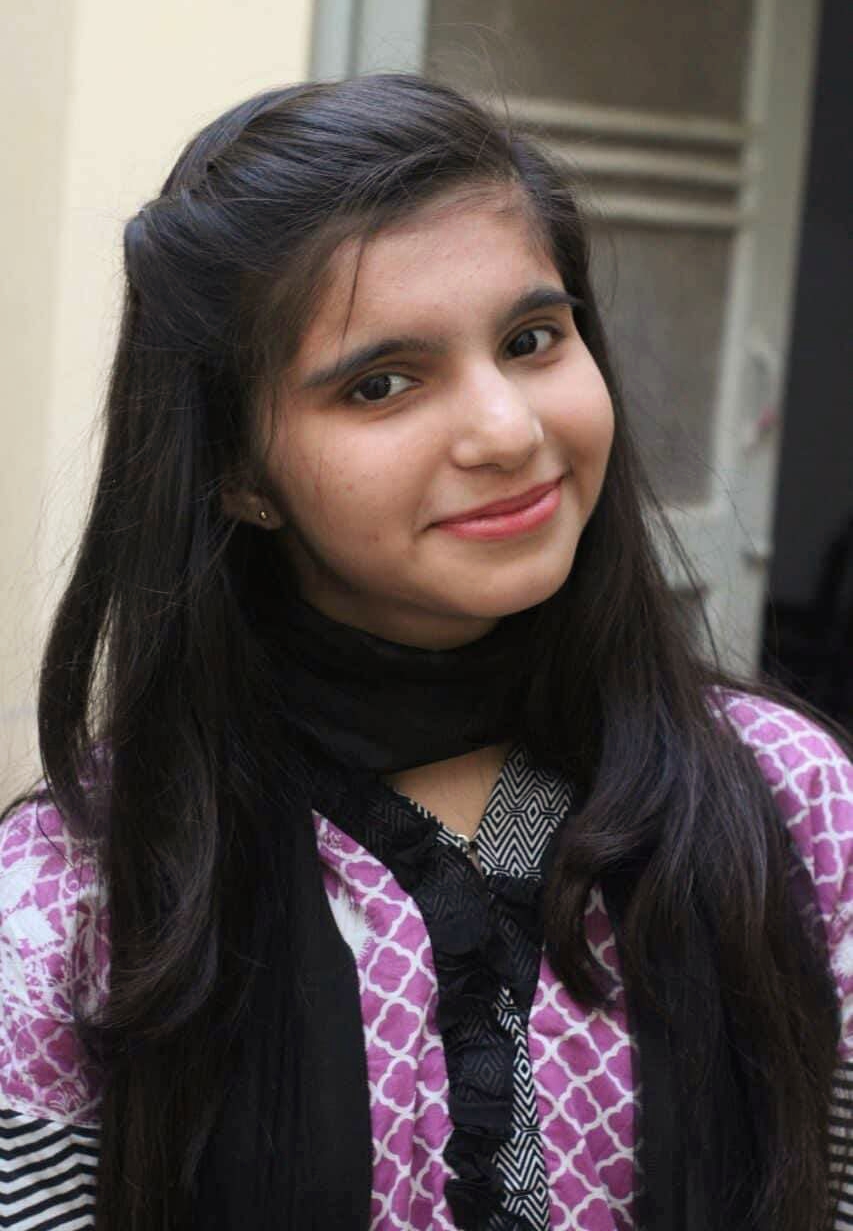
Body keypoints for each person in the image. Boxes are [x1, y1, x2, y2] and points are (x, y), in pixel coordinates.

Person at [0, 74, 850, 1231]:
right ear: (238, 470)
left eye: (531, 338)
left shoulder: (788, 801)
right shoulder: (83, 887)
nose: (508, 430)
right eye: (382, 383)